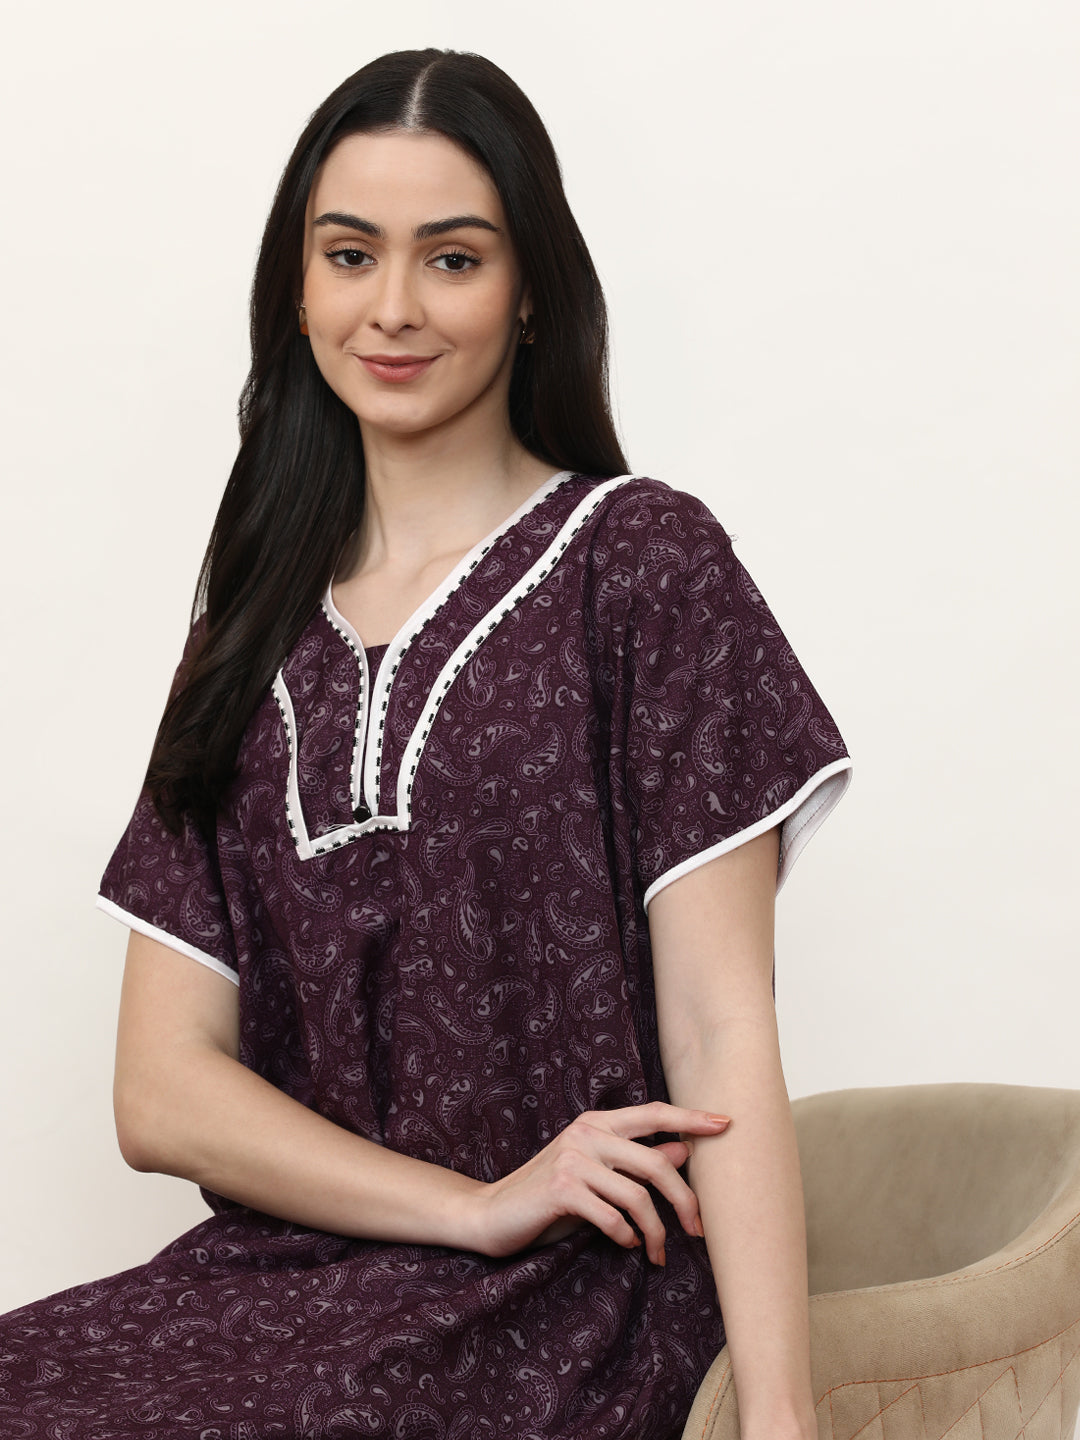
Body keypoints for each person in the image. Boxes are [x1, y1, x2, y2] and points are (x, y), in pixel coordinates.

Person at [0, 47, 853, 1440]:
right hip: (297, 1276)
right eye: (351, 255)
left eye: (452, 260)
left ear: (530, 295)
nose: (392, 307)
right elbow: (160, 1091)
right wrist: (469, 1205)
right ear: (298, 289)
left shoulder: (642, 565)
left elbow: (720, 1030)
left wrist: (780, 1417)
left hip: (578, 1294)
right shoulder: (246, 633)